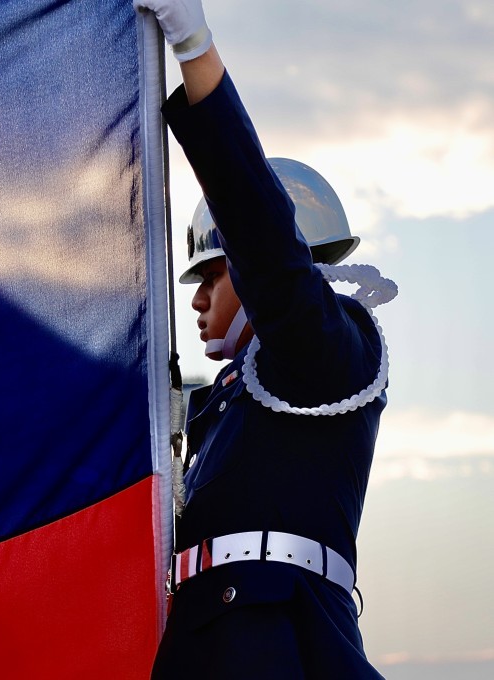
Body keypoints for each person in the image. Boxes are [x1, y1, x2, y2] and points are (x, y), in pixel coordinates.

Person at [134, 0, 397, 677]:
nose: (196, 298)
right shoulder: (220, 407)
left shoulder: (329, 353)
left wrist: (195, 49)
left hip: (288, 651)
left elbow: (265, 242)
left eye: (212, 274)